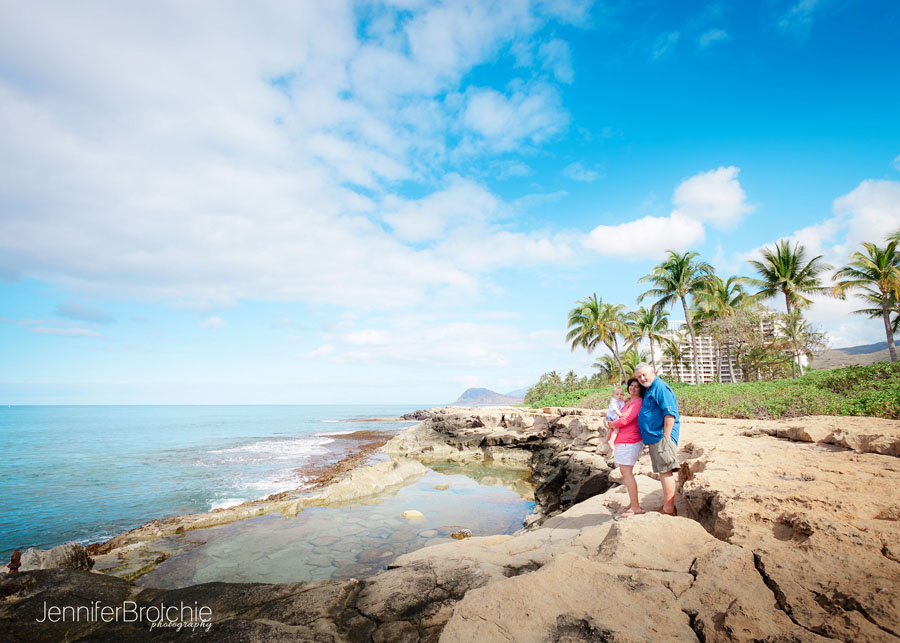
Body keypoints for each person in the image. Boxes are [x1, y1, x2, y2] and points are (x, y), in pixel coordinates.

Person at [635, 362, 680, 516]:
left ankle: (669, 509)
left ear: (652, 372)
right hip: (655, 437)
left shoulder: (660, 387)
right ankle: (667, 506)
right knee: (663, 472)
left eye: (644, 374)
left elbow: (670, 413)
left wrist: (666, 436)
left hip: (661, 437)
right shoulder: (649, 389)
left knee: (666, 472)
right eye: (639, 376)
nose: (642, 378)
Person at [605, 377, 645, 518]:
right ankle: (632, 503)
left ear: (641, 389)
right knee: (625, 472)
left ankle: (636, 507)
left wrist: (611, 424)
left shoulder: (638, 402)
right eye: (631, 386)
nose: (633, 388)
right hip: (624, 440)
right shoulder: (628, 401)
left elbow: (626, 419)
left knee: (627, 473)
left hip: (630, 440)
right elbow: (615, 410)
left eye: (636, 386)